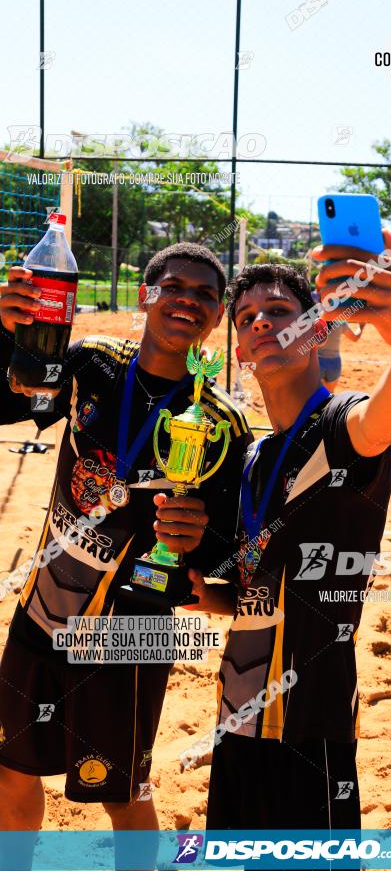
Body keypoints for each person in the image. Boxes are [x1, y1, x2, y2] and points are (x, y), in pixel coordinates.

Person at [0, 243, 251, 860]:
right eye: (173, 286)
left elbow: (223, 561)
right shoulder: (90, 364)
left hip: (129, 638)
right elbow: (15, 399)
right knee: (10, 772)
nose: (186, 300)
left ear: (216, 318)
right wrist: (9, 333)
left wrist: (192, 543)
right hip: (42, 611)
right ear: (146, 294)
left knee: (123, 793)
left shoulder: (221, 423)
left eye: (204, 295)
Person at [186, 230, 391, 833]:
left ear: (317, 331)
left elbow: (385, 417)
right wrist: (208, 591)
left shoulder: (340, 427)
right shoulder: (248, 458)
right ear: (240, 349)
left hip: (311, 721)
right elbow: (245, 588)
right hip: (236, 713)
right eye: (247, 318)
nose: (262, 323)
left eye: (279, 311)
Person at [318, 318, 363, 392]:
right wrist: (361, 327)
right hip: (334, 363)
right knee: (329, 395)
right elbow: (355, 338)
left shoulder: (315, 322)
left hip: (318, 362)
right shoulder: (340, 322)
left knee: (317, 395)